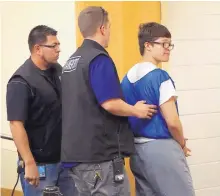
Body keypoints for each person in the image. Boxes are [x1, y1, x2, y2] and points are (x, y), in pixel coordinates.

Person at [61, 6, 157, 196]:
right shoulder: (98, 59)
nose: (110, 32)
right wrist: (136, 110)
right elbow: (110, 103)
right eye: (110, 27)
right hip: (99, 157)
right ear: (103, 28)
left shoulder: (71, 62)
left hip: (76, 156)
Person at [121, 22, 195, 196]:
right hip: (162, 149)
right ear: (147, 45)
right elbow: (172, 121)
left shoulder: (127, 78)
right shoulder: (160, 77)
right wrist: (182, 144)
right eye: (163, 44)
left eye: (170, 44)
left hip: (137, 152)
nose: (168, 48)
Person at [6, 25, 77, 196]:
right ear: (38, 48)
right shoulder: (20, 81)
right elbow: (16, 124)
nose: (58, 49)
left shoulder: (57, 70)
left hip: (64, 160)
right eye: (53, 46)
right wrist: (29, 162)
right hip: (40, 165)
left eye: (58, 44)